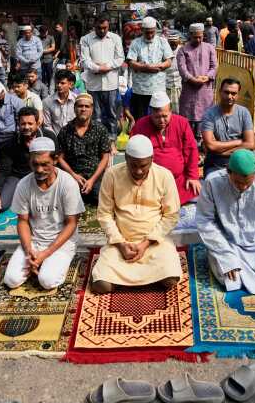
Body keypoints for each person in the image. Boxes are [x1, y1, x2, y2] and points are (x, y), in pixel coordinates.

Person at [89, 135, 181, 294]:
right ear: (125, 158)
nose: (138, 171)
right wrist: (120, 244)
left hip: (155, 243)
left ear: (152, 159)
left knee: (171, 279)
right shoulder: (112, 174)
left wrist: (145, 244)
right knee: (100, 285)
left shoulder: (164, 175)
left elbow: (171, 215)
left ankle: (127, 280)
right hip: (120, 244)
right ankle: (138, 277)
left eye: (143, 166)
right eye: (133, 165)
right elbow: (104, 214)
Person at [195, 149, 255, 297]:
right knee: (231, 280)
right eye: (239, 182)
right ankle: (221, 259)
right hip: (227, 244)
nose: (244, 187)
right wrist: (225, 256)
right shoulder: (212, 182)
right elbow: (205, 221)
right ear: (228, 171)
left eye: (248, 183)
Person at [3, 137, 84, 290]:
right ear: (30, 162)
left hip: (61, 243)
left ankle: (47, 264)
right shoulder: (24, 185)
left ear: (55, 160)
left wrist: (46, 253)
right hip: (34, 242)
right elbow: (22, 221)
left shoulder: (67, 184)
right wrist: (29, 252)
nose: (39, 170)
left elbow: (72, 223)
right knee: (11, 280)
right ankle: (38, 264)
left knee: (47, 281)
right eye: (35, 164)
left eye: (44, 164)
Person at [131, 91, 201, 205]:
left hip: (179, 180)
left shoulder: (182, 123)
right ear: (151, 113)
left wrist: (193, 176)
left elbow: (191, 149)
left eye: (165, 116)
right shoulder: (141, 125)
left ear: (171, 112)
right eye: (157, 117)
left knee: (197, 194)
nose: (162, 121)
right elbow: (133, 154)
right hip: (151, 181)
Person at [56, 93, 113, 206]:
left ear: (92, 109)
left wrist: (92, 180)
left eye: (87, 106)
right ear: (74, 108)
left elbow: (105, 157)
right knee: (65, 201)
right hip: (72, 175)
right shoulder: (65, 131)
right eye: (80, 106)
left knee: (102, 201)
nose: (83, 109)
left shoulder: (100, 129)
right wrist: (73, 175)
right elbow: (60, 158)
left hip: (94, 175)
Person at [0, 107, 54, 212]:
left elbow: (54, 162)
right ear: (18, 124)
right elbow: (4, 169)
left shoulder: (49, 137)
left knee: (48, 205)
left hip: (42, 175)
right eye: (23, 124)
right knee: (0, 205)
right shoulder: (11, 142)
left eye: (30, 124)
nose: (26, 127)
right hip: (17, 176)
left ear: (37, 123)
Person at [201, 78, 255, 177]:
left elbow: (250, 144)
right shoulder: (209, 115)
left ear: (238, 95)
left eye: (233, 93)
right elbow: (211, 146)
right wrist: (238, 141)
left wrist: (221, 151)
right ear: (220, 92)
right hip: (216, 165)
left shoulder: (244, 113)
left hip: (241, 163)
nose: (230, 96)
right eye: (226, 92)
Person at [80, 15, 124, 132]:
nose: (102, 30)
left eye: (105, 27)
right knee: (95, 116)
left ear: (109, 25)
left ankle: (112, 140)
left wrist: (107, 66)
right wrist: (98, 68)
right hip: (93, 85)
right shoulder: (85, 39)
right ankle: (96, 142)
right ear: (94, 26)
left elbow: (120, 58)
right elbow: (84, 60)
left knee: (112, 114)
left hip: (111, 84)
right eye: (99, 28)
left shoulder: (115, 38)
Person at [126, 17, 174, 119]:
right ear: (142, 30)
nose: (150, 35)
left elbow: (169, 61)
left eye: (152, 32)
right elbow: (131, 62)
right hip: (140, 89)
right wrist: (145, 67)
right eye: (147, 33)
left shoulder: (162, 42)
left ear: (155, 30)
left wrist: (158, 66)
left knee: (158, 116)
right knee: (140, 117)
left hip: (158, 88)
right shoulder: (136, 43)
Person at [177, 23, 217, 137]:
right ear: (190, 35)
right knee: (187, 117)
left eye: (200, 37)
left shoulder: (209, 48)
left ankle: (202, 142)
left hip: (205, 89)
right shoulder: (183, 50)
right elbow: (182, 68)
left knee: (205, 117)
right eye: (195, 37)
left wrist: (207, 77)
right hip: (189, 89)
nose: (198, 39)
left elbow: (214, 66)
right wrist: (192, 79)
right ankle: (188, 141)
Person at [42, 69, 77, 136]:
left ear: (70, 85)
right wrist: (55, 139)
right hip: (56, 138)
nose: (59, 85)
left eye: (62, 83)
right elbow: (47, 125)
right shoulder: (47, 102)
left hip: (74, 137)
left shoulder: (77, 100)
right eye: (57, 83)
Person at [164, 31, 183, 111]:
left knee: (180, 109)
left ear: (178, 41)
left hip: (179, 85)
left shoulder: (182, 50)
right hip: (167, 85)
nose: (173, 46)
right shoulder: (164, 50)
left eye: (175, 43)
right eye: (171, 44)